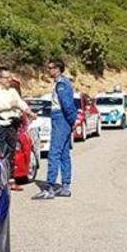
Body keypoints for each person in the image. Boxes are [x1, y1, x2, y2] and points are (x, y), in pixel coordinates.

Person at [33, 59, 79, 200]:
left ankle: (50, 188)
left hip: (61, 118)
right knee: (64, 154)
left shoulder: (61, 84)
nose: (49, 70)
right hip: (62, 118)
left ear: (58, 69)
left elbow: (67, 105)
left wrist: (72, 120)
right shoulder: (62, 83)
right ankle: (65, 187)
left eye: (51, 68)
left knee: (54, 152)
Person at [0, 66, 35, 188]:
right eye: (7, 77)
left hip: (12, 125)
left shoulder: (13, 91)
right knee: (0, 154)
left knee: (11, 153)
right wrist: (9, 105)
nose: (10, 80)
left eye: (10, 77)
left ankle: (11, 181)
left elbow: (20, 103)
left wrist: (29, 112)